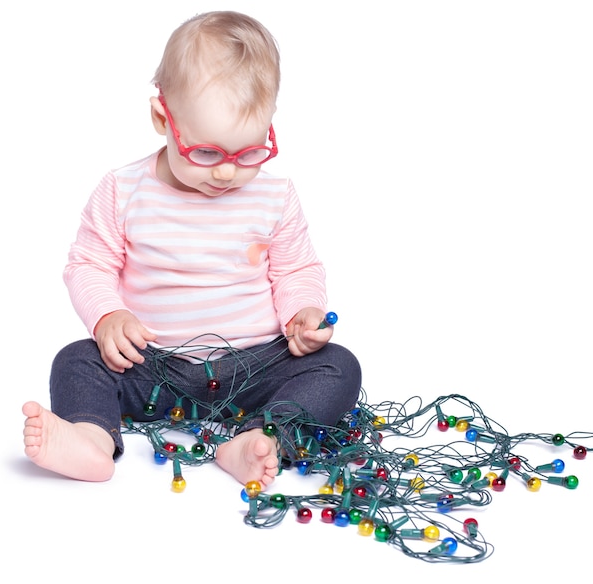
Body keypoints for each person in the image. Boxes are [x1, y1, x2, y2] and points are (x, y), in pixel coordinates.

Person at [22, 10, 362, 489]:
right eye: (206, 153)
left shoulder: (275, 196)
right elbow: (89, 265)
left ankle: (258, 437)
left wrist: (302, 312)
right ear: (163, 118)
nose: (226, 173)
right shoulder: (123, 191)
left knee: (339, 366)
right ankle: (91, 438)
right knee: (76, 359)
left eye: (249, 153)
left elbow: (295, 269)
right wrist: (107, 317)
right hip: (153, 366)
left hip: (255, 367)